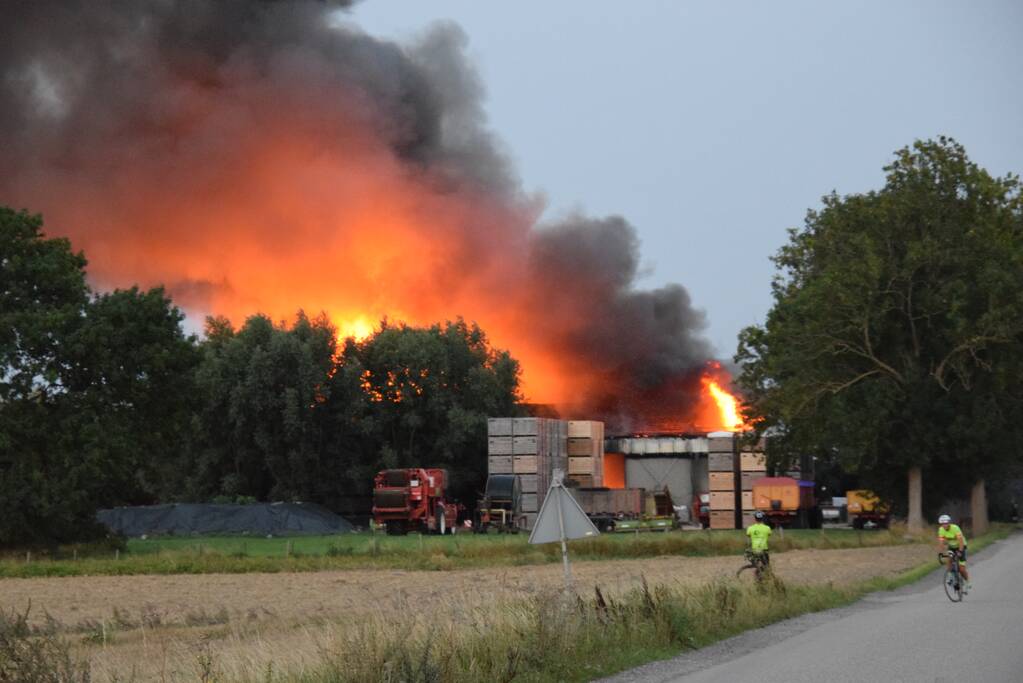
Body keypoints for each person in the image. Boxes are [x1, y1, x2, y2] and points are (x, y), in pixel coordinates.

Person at [937, 514, 971, 592]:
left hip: (961, 546)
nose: (944, 525)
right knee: (948, 559)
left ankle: (967, 582)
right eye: (942, 524)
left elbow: (961, 541)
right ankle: (950, 575)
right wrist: (941, 554)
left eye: (946, 523)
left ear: (949, 523)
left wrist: (960, 551)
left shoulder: (955, 528)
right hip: (952, 547)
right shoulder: (941, 530)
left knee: (962, 569)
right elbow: (941, 543)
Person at [745, 510, 773, 575]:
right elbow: (769, 535)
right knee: (766, 566)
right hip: (764, 549)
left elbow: (748, 539)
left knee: (757, 565)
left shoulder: (750, 528)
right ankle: (765, 577)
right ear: (763, 518)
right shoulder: (767, 528)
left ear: (755, 518)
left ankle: (758, 575)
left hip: (754, 550)